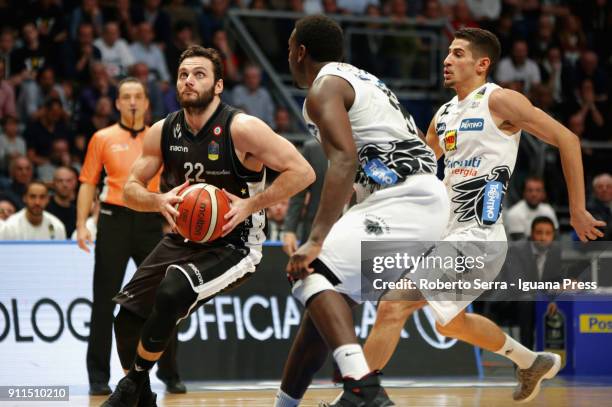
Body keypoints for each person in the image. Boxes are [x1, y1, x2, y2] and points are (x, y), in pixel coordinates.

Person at [360, 27, 605, 404]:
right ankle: (529, 360)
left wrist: (576, 209)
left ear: (482, 63)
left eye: (457, 54)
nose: (446, 60)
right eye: (448, 53)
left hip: (479, 235)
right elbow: (422, 171)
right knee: (450, 324)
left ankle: (358, 394)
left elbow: (568, 140)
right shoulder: (443, 115)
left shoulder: (500, 100)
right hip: (447, 232)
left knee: (393, 305)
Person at [101, 45, 314, 406]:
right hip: (185, 238)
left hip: (236, 243)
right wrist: (156, 200)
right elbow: (130, 190)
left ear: (217, 85)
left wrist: (251, 204)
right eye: (184, 74)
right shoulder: (162, 131)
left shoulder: (242, 128)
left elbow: (303, 172)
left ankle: (129, 386)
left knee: (172, 290)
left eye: (199, 74)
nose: (189, 81)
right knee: (126, 317)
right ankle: (141, 395)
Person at [275, 15, 447, 407]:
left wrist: (316, 240)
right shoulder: (362, 80)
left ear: (301, 52)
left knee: (309, 270)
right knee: (323, 306)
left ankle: (363, 388)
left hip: (407, 200)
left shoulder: (324, 88)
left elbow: (344, 160)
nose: (288, 57)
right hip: (415, 200)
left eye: (289, 49)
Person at [77, 77, 184, 396]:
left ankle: (170, 372)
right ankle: (98, 376)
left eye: (139, 96)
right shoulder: (102, 137)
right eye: (127, 96)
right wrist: (82, 223)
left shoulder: (160, 136)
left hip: (151, 218)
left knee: (168, 297)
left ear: (147, 103)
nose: (133, 101)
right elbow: (87, 182)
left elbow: (175, 179)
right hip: (114, 219)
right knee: (103, 300)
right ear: (117, 103)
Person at [0, 180, 66, 240]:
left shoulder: (57, 226)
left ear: (48, 199)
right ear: (24, 198)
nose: (37, 202)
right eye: (32, 196)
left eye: (42, 197)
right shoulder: (10, 226)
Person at [505, 176, 559, 240]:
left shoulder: (548, 209)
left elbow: (556, 236)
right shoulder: (514, 213)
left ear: (543, 193)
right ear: (524, 192)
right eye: (530, 190)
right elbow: (520, 244)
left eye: (538, 190)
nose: (534, 194)